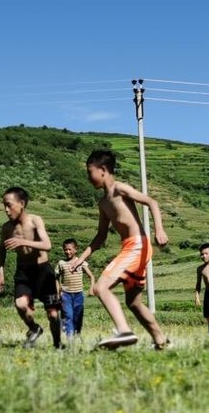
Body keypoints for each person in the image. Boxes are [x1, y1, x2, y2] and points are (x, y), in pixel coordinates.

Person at [69, 149, 171, 350]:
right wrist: (81, 258)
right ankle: (161, 340)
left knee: (100, 288)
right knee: (134, 302)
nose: (88, 177)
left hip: (137, 245)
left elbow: (152, 202)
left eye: (90, 172)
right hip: (131, 247)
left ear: (103, 170)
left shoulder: (120, 189)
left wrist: (159, 229)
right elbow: (100, 236)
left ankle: (124, 331)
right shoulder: (103, 203)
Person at [0, 187, 62, 349]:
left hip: (43, 271)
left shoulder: (35, 220)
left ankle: (57, 344)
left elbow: (47, 245)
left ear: (22, 204)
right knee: (20, 304)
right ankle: (34, 328)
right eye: (4, 206)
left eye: (9, 205)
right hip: (23, 272)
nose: (6, 210)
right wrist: (0, 273)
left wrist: (22, 242)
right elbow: (2, 250)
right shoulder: (7, 228)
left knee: (53, 314)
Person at [55, 238, 95, 340]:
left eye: (70, 249)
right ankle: (70, 336)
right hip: (66, 294)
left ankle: (77, 334)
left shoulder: (81, 262)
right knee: (68, 315)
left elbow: (91, 276)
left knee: (78, 316)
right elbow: (56, 278)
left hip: (78, 295)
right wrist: (58, 292)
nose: (67, 252)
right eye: (65, 249)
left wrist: (91, 289)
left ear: (75, 249)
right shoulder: (61, 263)